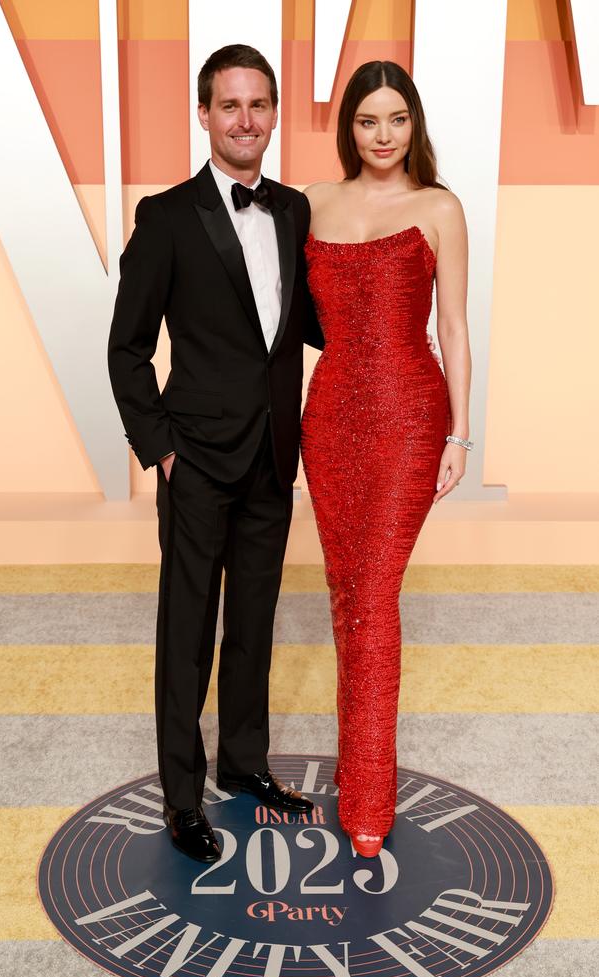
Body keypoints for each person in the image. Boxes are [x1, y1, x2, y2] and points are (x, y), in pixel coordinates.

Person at [108, 45, 324, 864]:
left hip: (273, 456)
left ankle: (244, 767)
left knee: (255, 627)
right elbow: (126, 348)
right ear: (203, 114)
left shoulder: (297, 211)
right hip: (194, 461)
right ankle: (179, 799)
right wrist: (160, 450)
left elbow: (308, 324)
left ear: (273, 115)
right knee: (187, 633)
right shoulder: (165, 218)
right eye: (229, 105)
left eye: (259, 104)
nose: (245, 120)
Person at [301, 61, 472, 858]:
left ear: (415, 124)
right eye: (368, 121)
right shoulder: (312, 204)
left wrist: (459, 435)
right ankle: (357, 767)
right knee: (344, 595)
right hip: (329, 416)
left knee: (374, 594)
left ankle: (369, 794)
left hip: (409, 416)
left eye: (396, 119)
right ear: (350, 127)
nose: (382, 135)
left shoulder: (438, 208)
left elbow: (457, 329)